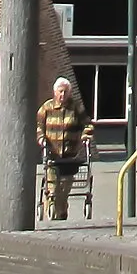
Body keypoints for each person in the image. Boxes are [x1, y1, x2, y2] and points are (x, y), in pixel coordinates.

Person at [35, 74, 89, 222]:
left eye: (65, 91)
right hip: (52, 154)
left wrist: (85, 136)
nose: (62, 95)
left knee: (64, 189)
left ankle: (61, 211)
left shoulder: (76, 108)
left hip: (70, 155)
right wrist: (41, 138)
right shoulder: (46, 108)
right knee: (52, 187)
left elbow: (88, 125)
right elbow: (38, 126)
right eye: (60, 91)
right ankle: (52, 211)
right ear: (55, 92)